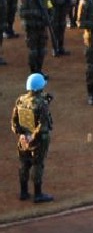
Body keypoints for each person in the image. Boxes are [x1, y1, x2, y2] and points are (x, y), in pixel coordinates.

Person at [11, 72, 53, 202]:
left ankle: (23, 192)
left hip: (23, 138)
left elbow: (14, 122)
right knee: (37, 164)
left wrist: (22, 135)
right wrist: (34, 137)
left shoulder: (20, 100)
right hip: (38, 140)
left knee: (24, 163)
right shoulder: (42, 103)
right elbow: (42, 124)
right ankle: (38, 194)